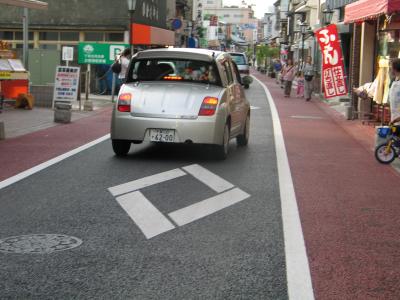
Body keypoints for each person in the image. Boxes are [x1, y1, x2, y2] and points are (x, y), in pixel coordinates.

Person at [388, 58, 400, 125]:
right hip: (394, 119)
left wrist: (396, 120)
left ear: (395, 69)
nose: (390, 69)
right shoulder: (394, 80)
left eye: (391, 67)